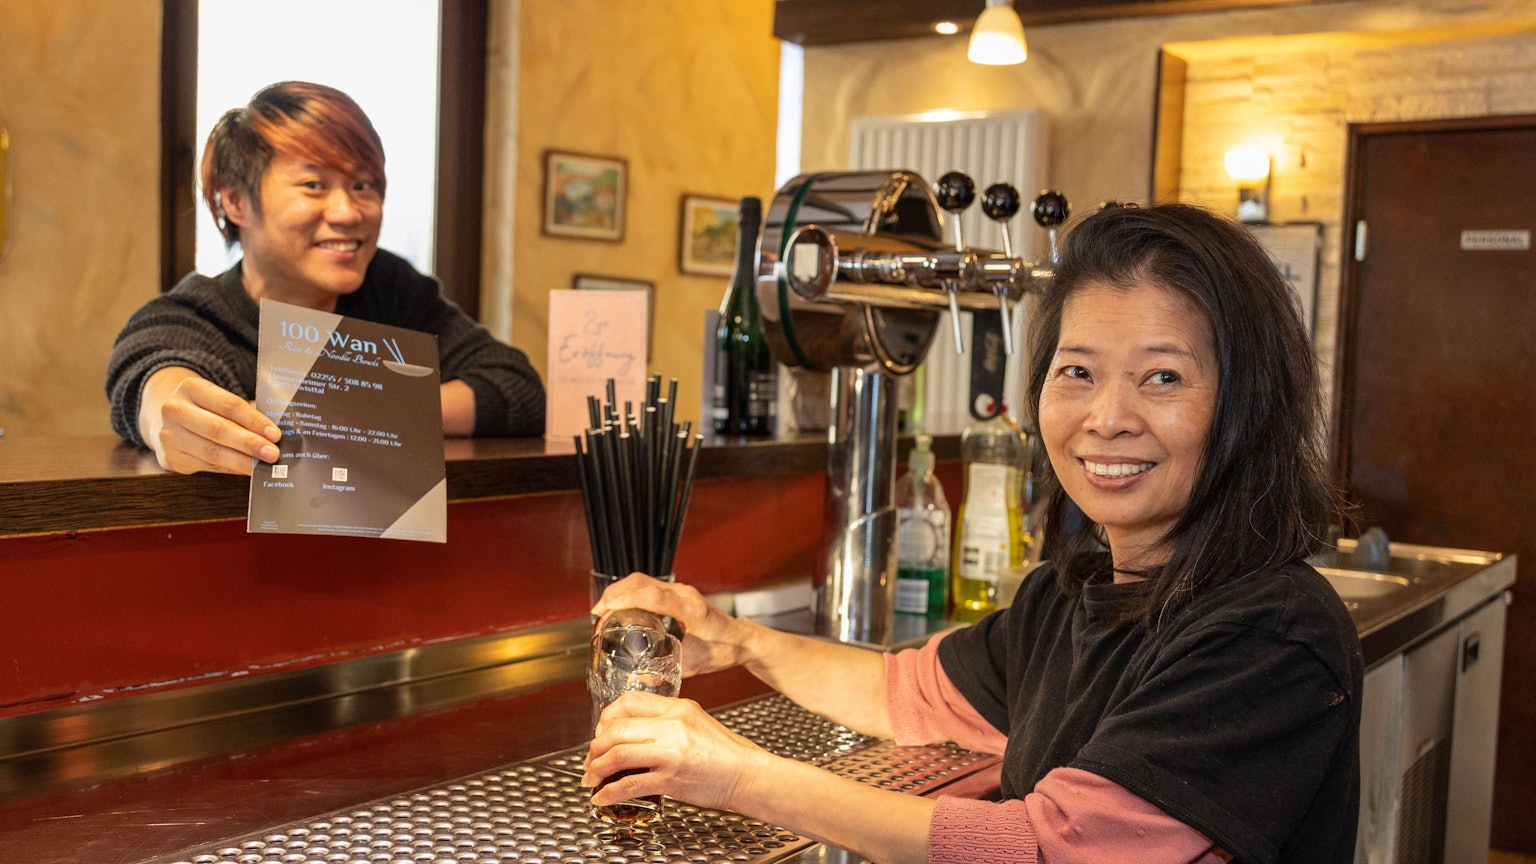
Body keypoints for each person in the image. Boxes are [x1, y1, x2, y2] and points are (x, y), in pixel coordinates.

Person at [584, 203, 1363, 864]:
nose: (1106, 418)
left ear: (1245, 406)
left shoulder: (1270, 634)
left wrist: (737, 777)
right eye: (1077, 372)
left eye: (1162, 376)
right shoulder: (1077, 594)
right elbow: (905, 694)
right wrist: (738, 639)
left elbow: (1044, 848)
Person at [106, 81, 545, 475]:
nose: (348, 213)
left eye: (363, 186)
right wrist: (164, 412)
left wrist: (353, 414)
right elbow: (153, 376)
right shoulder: (199, 313)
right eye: (314, 185)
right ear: (236, 201)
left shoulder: (390, 291)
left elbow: (516, 388)